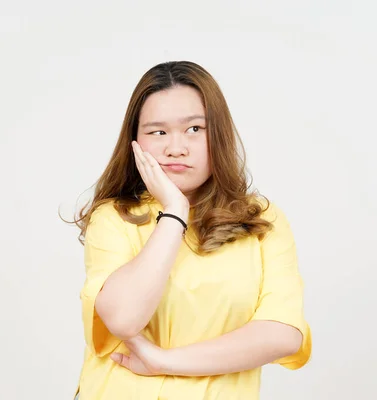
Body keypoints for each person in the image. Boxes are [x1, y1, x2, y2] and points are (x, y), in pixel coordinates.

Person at [68, 61, 312, 400]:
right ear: (135, 143)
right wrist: (175, 211)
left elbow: (283, 334)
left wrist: (163, 361)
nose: (176, 148)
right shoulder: (114, 218)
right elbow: (124, 319)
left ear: (220, 134)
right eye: (158, 132)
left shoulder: (262, 220)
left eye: (195, 129)